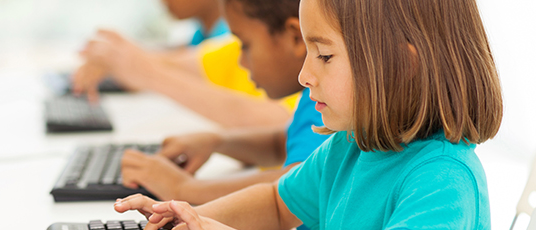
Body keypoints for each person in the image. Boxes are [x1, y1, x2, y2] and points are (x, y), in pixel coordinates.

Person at [113, 0, 502, 229]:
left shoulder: (443, 183)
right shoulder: (348, 147)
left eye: (325, 56)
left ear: (402, 64)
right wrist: (191, 219)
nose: (304, 75)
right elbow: (276, 204)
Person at [118, 0, 326, 206]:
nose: (240, 62)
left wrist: (186, 189)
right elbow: (280, 144)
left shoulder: (326, 100)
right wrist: (217, 142)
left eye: (245, 45)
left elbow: (300, 182)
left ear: (295, 38)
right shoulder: (310, 98)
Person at [72, 0, 296, 128]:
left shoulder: (309, 78)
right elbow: (179, 62)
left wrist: (144, 71)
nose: (241, 60)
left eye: (245, 45)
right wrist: (120, 58)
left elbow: (280, 123)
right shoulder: (235, 45)